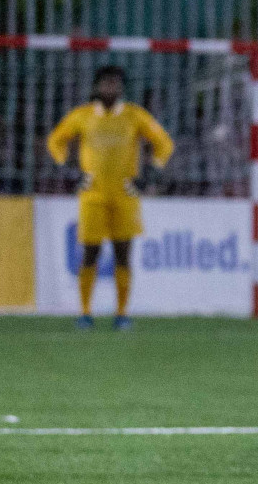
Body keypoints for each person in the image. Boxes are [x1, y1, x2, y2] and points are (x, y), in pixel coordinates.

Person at [45, 65, 173, 330]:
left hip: (125, 195)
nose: (110, 88)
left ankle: (122, 313)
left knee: (123, 253)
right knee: (90, 252)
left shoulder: (134, 115)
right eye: (105, 83)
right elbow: (56, 140)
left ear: (121, 87)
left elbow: (164, 143)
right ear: (96, 86)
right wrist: (67, 168)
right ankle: (85, 312)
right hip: (92, 195)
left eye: (115, 83)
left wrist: (149, 171)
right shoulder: (82, 116)